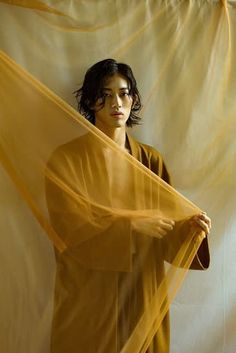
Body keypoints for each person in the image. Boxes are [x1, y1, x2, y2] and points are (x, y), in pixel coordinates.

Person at [45, 59, 211, 353]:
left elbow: (169, 232)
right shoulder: (65, 160)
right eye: (105, 94)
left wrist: (191, 230)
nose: (115, 103)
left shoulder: (151, 162)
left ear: (133, 99)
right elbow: (67, 230)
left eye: (123, 93)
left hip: (143, 292)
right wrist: (131, 224)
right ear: (90, 100)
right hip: (89, 296)